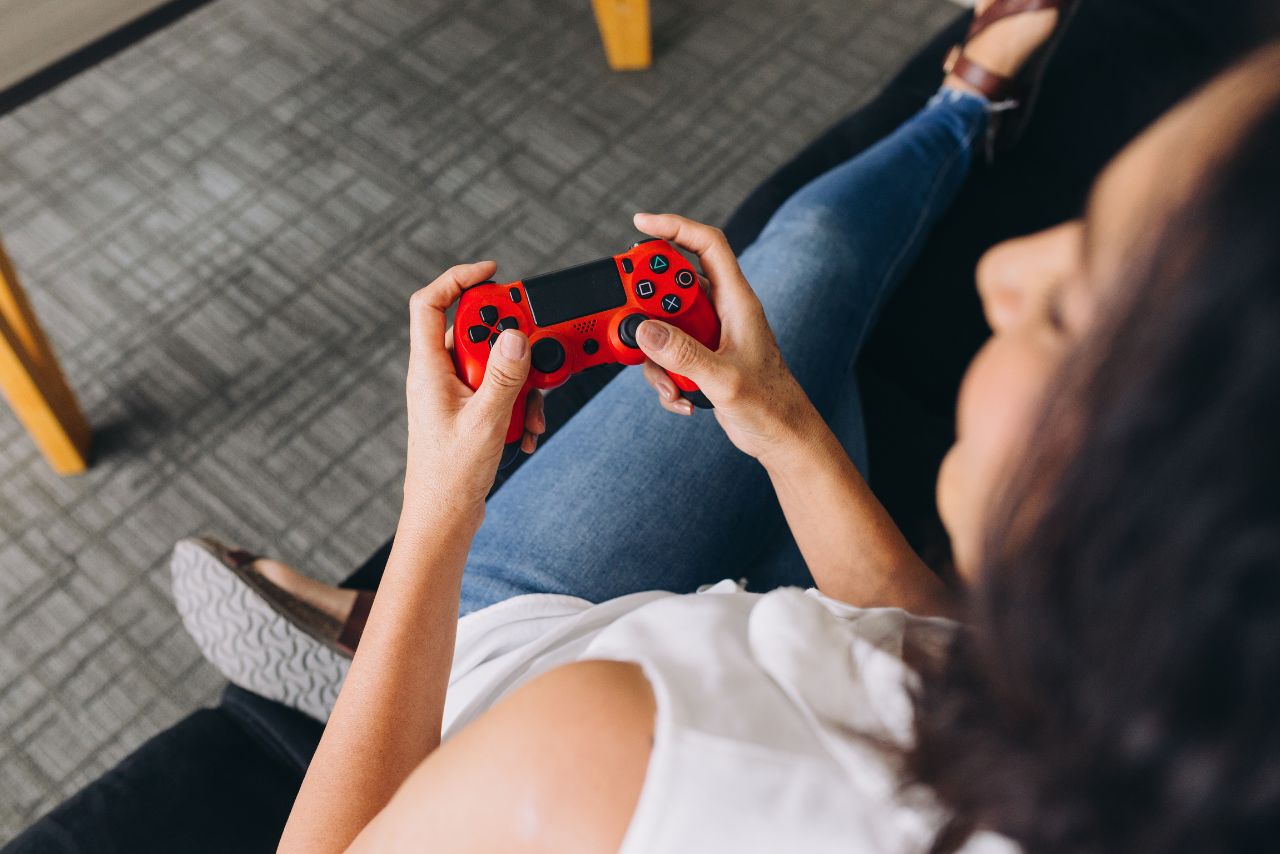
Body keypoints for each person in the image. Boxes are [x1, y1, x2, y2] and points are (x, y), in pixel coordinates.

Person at [169, 0, 1280, 849]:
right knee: (783, 324)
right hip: (760, 622)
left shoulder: (600, 747)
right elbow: (928, 647)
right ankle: (964, 105)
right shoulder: (1139, 747)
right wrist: (779, 420)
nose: (1007, 270)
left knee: (805, 265)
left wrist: (432, 517)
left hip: (527, 652)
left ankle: (392, 646)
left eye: (1074, 306)